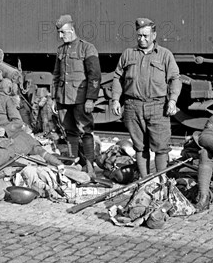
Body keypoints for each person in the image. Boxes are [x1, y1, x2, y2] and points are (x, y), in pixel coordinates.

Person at [111, 18, 181, 178]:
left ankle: (161, 182)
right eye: (139, 35)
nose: (142, 39)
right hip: (132, 106)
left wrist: (172, 100)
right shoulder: (128, 54)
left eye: (146, 35)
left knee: (161, 147)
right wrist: (115, 99)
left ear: (154, 35)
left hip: (157, 107)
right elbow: (117, 77)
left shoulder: (165, 55)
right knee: (140, 147)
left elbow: (175, 79)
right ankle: (144, 181)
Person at [51, 14, 101, 176]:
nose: (60, 36)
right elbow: (57, 75)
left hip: (80, 99)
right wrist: (54, 98)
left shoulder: (87, 48)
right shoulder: (61, 50)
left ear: (71, 30)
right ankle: (73, 165)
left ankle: (90, 166)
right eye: (59, 32)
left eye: (62, 32)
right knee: (70, 132)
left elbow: (94, 76)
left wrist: (90, 98)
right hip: (63, 98)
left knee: (85, 131)